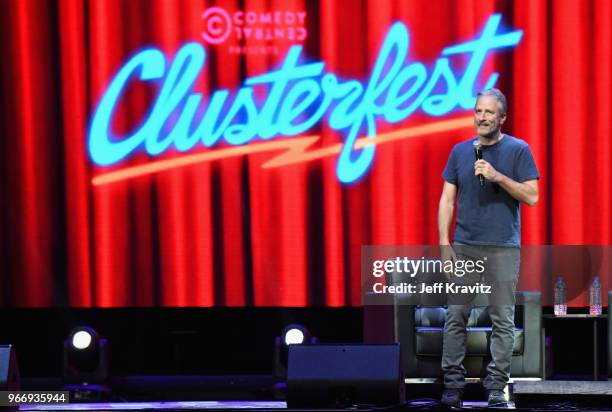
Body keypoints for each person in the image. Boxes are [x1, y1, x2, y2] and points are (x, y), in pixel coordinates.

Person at [437, 88, 539, 407]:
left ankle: (496, 385)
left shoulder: (519, 150)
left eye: (489, 113)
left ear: (502, 118)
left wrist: (497, 176)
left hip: (503, 248)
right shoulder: (460, 152)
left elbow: (532, 196)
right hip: (465, 246)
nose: (482, 117)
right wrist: (444, 242)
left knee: (502, 319)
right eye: (478, 111)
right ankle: (453, 386)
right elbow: (447, 199)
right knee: (456, 316)